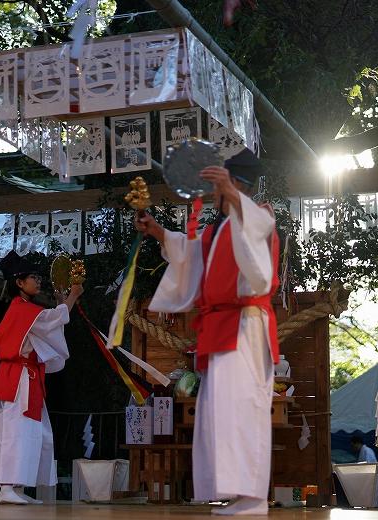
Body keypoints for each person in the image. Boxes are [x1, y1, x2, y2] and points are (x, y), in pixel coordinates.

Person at [135, 149, 280, 516]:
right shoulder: (219, 230)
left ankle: (253, 497)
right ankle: (239, 493)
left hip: (245, 325)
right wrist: (158, 233)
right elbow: (191, 254)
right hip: (220, 328)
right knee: (221, 410)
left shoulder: (257, 217)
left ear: (235, 187)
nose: (215, 195)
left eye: (220, 188)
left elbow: (259, 260)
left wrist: (233, 195)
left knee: (243, 406)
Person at [0, 252, 84, 505]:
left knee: (29, 433)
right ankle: (7, 488)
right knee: (14, 432)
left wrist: (64, 301)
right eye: (33, 277)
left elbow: (52, 321)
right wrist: (72, 296)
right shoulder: (23, 310)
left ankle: (16, 488)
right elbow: (54, 319)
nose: (38, 281)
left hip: (22, 378)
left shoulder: (24, 311)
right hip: (17, 379)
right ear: (19, 283)